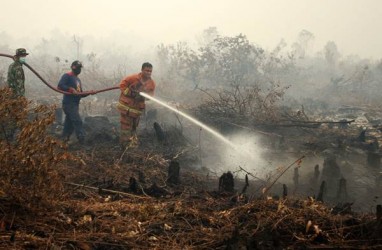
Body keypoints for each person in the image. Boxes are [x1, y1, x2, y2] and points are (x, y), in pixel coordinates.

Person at [117, 62, 155, 145]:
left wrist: (143, 96)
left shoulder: (151, 83)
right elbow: (122, 85)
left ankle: (132, 144)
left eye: (150, 71)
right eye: (147, 70)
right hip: (126, 107)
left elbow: (150, 96)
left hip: (136, 110)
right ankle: (124, 145)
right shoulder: (132, 78)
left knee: (134, 127)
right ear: (142, 70)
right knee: (126, 127)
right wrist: (132, 93)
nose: (149, 73)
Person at [58, 60, 92, 144]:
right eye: (78, 68)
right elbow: (60, 86)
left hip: (75, 104)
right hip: (68, 104)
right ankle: (82, 140)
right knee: (77, 121)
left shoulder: (77, 80)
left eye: (80, 68)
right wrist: (70, 89)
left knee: (69, 123)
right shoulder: (67, 76)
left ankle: (64, 139)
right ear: (73, 67)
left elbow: (80, 94)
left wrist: (89, 92)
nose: (79, 70)